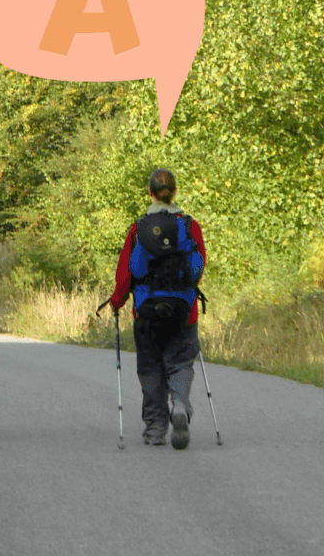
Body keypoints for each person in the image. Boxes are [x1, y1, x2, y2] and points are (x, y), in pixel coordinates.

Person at [109, 168, 207, 450]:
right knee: (181, 362)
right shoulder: (190, 226)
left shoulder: (138, 228)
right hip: (183, 311)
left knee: (151, 368)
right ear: (174, 191)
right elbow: (197, 269)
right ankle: (179, 404)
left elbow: (126, 273)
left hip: (146, 312)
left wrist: (118, 301)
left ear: (150, 193)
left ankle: (154, 429)